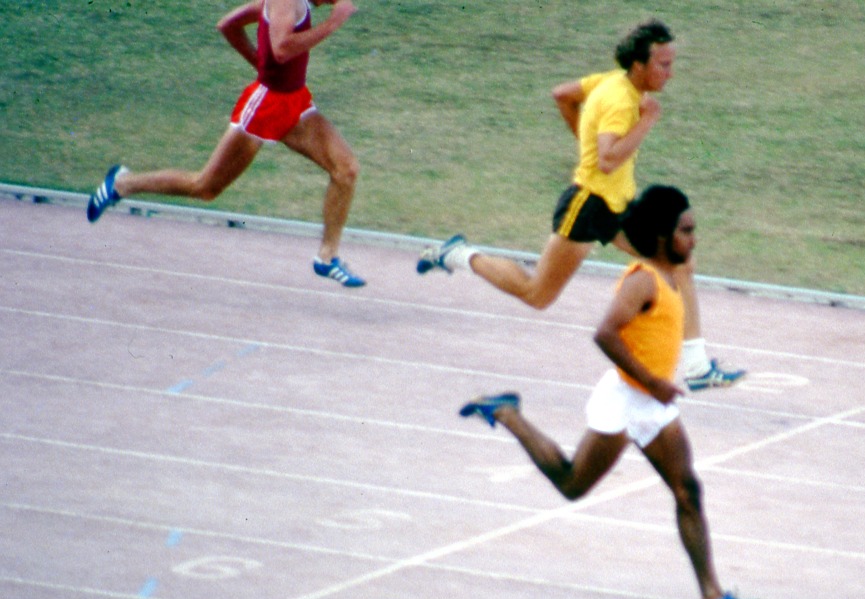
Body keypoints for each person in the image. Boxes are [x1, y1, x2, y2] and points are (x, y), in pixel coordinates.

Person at [458, 186, 763, 599]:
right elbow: (604, 334)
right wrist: (654, 381)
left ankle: (713, 595)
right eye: (686, 231)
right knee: (571, 485)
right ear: (662, 235)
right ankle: (507, 412)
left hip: (653, 403)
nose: (694, 239)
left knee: (688, 490)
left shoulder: (674, 273)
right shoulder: (644, 280)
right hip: (624, 398)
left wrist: (658, 388)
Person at [418, 19, 744, 391]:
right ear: (638, 65)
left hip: (617, 205)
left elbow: (562, 94)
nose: (670, 73)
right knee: (536, 294)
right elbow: (607, 160)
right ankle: (460, 255)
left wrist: (584, 137)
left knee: (680, 264)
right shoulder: (622, 100)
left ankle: (697, 367)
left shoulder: (611, 81)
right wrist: (647, 120)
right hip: (588, 206)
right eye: (663, 65)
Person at [86, 0, 366, 288]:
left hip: (295, 104)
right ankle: (123, 183)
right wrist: (332, 24)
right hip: (265, 108)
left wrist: (260, 61)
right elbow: (281, 50)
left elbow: (228, 25)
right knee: (205, 187)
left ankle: (326, 257)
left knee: (346, 169)